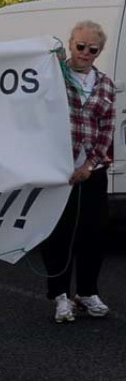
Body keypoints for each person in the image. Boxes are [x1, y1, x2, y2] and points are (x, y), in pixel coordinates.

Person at [42, 20, 115, 323]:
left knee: (93, 235)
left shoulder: (106, 85)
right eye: (80, 46)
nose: (85, 53)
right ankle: (60, 296)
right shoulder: (52, 75)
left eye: (92, 49)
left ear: (99, 52)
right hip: (58, 171)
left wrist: (89, 166)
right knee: (59, 236)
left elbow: (106, 131)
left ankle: (87, 292)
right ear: (70, 44)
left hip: (92, 172)